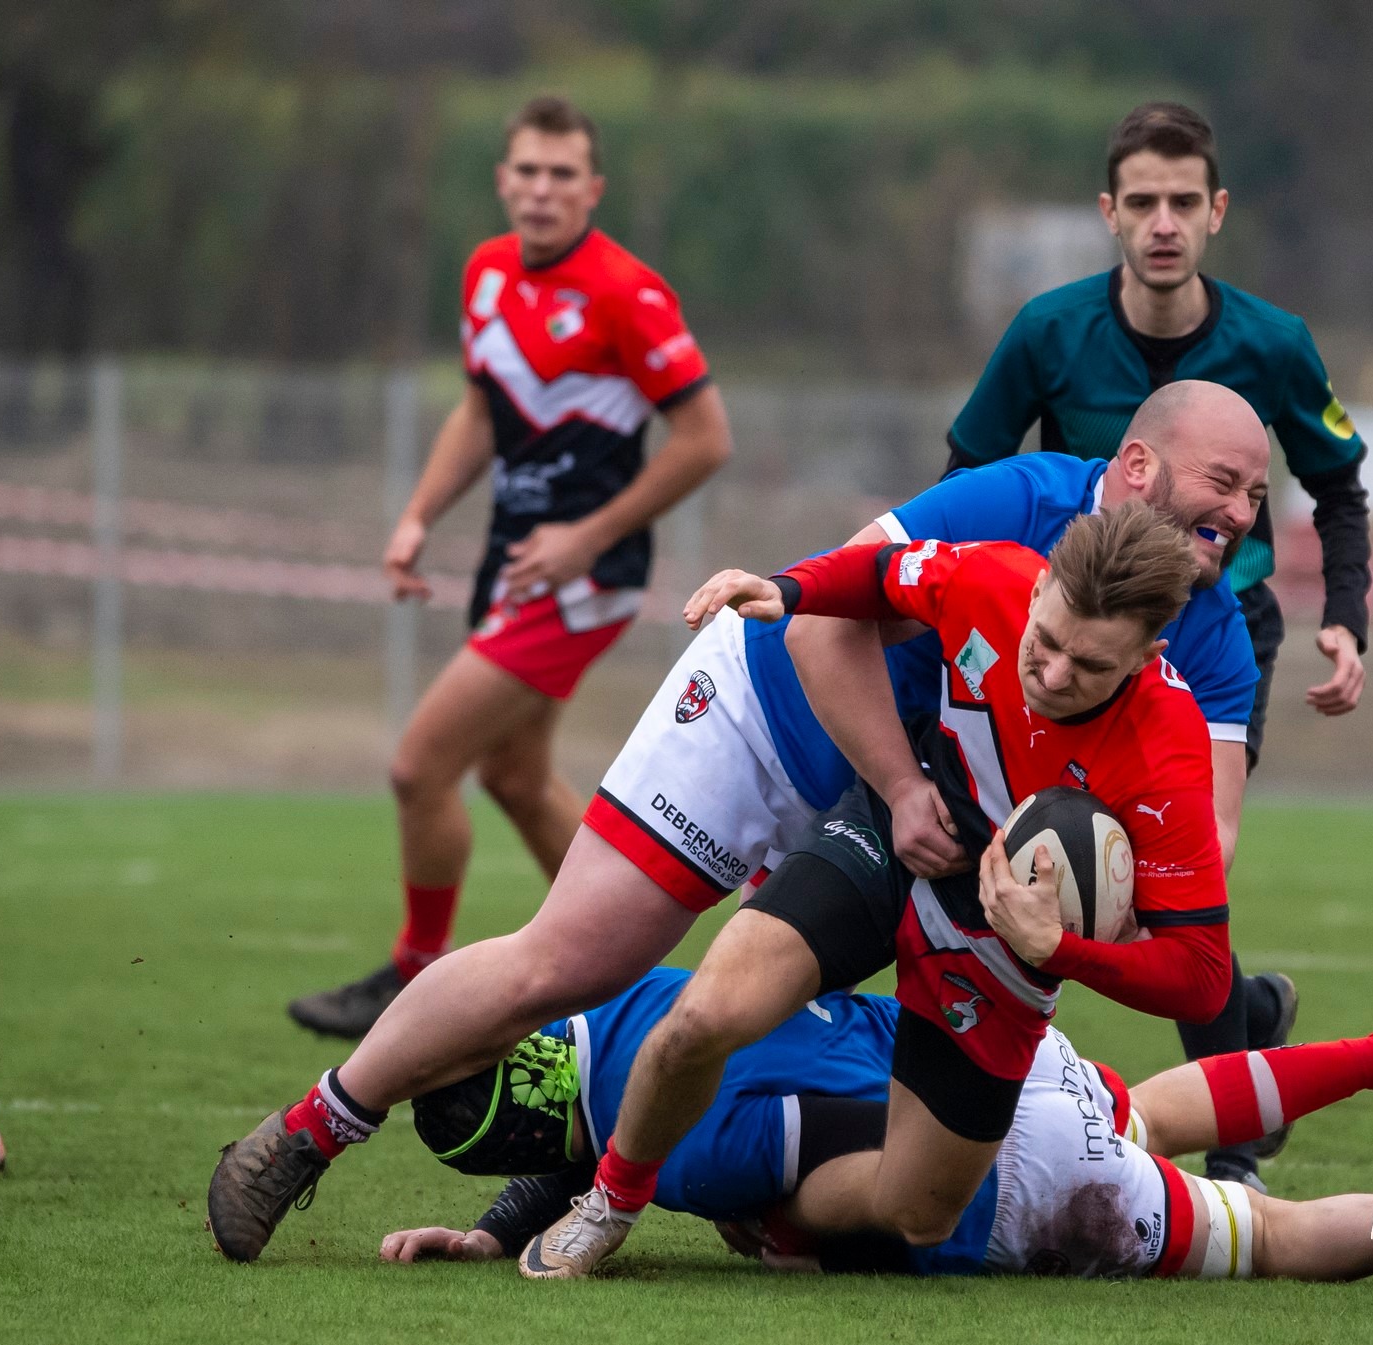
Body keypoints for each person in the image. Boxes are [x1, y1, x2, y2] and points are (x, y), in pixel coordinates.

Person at [206, 385, 1266, 1265]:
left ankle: (577, 1193)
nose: (1242, 510)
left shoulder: (1207, 643)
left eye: (1258, 494)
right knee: (576, 959)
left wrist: (1092, 926)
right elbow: (817, 620)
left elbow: (1190, 851)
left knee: (773, 1039)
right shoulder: (1016, 511)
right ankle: (310, 1131)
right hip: (780, 718)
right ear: (1136, 468)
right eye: (1223, 482)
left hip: (939, 830)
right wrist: (896, 786)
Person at [516, 505, 1234, 1278]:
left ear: (1146, 656)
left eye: (1090, 667)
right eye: (1046, 642)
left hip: (1005, 949)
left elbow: (1201, 976)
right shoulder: (989, 574)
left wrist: (1059, 949)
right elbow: (874, 574)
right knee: (706, 1015)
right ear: (1039, 590)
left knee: (918, 1211)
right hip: (896, 842)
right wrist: (787, 588)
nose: (1054, 675)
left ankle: (776, 1212)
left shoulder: (1169, 753)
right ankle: (610, 1203)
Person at [946, 100, 1373, 1189]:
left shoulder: (1273, 344)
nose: (1164, 221)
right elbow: (965, 471)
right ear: (1109, 213)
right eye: (1142, 201)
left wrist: (1348, 613)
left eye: (1185, 200)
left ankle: (1233, 1150)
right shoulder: (1048, 330)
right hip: (1055, 631)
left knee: (1185, 871)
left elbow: (1337, 486)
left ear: (1217, 210)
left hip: (1219, 634)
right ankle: (1231, 1017)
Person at [286, 95, 733, 1039]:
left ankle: (415, 972)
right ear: (502, 180)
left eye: (562, 174)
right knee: (515, 777)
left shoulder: (626, 291)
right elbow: (483, 414)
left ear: (593, 188)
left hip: (582, 573)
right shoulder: (486, 274)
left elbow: (704, 439)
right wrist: (415, 517)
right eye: (526, 171)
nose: (541, 190)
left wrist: (586, 536)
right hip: (514, 561)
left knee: (419, 767)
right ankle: (625, 978)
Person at [383, 979, 1373, 1281]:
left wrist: (792, 1234)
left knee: (1277, 1236)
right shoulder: (632, 997)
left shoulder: (701, 1155)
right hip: (1001, 1046)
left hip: (999, 1165)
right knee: (1161, 1106)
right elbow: (596, 1124)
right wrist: (505, 1230)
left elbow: (876, 1187)